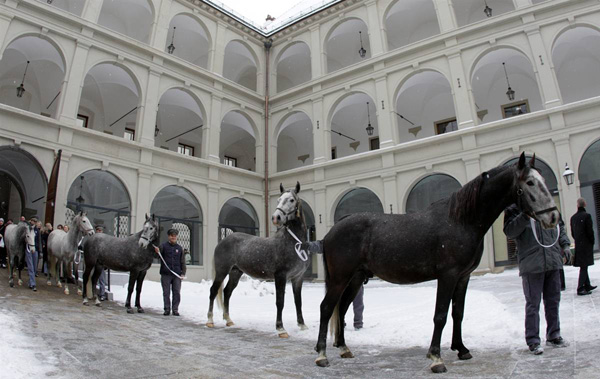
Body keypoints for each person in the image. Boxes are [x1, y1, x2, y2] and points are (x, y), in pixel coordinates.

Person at [504, 205, 571, 355]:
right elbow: (509, 231)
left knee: (553, 300)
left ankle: (554, 335)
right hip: (532, 265)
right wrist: (525, 216)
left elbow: (560, 226)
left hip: (552, 260)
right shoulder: (515, 208)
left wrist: (565, 245)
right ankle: (533, 340)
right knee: (533, 304)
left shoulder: (547, 205)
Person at [154, 229, 186, 316]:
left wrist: (183, 273)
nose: (173, 237)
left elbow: (182, 262)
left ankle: (175, 309)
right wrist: (156, 252)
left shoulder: (179, 248)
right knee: (166, 292)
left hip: (177, 274)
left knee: (176, 292)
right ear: (169, 236)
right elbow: (157, 256)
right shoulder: (163, 246)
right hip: (166, 274)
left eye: (174, 236)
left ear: (176, 237)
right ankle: (167, 309)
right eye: (171, 235)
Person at [570, 198, 596, 296]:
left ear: (577, 205)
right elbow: (590, 231)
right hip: (586, 245)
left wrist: (578, 240)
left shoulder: (573, 218)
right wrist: (592, 241)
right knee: (584, 266)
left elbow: (573, 233)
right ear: (584, 204)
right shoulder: (587, 216)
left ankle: (587, 285)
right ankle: (580, 288)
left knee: (584, 265)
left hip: (579, 245)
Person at [25, 218, 39, 291]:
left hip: (35, 249)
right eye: (33, 221)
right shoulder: (27, 229)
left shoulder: (37, 230)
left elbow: (38, 240)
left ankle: (31, 282)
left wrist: (38, 250)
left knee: (34, 267)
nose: (33, 222)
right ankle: (33, 284)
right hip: (29, 248)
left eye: (35, 221)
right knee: (30, 266)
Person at [94, 226, 108, 301]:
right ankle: (94, 293)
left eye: (100, 230)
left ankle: (102, 294)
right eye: (98, 230)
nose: (99, 231)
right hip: (93, 263)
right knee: (94, 279)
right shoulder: (93, 240)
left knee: (102, 280)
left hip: (101, 263)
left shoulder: (105, 241)